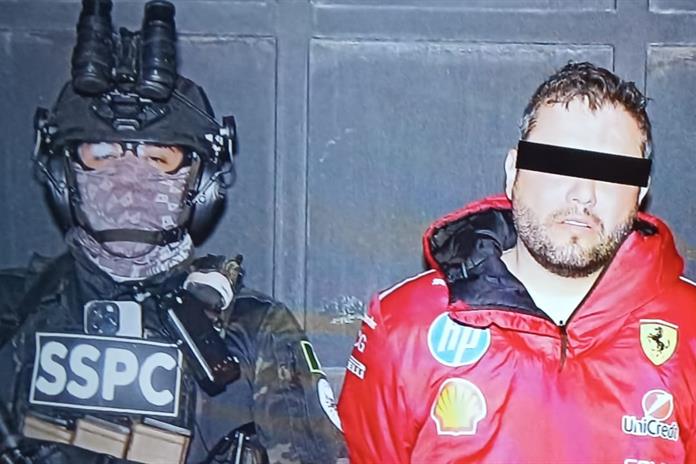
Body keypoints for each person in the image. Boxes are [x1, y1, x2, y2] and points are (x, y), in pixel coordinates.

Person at [0, 1, 343, 463]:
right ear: (64, 177)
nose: (128, 182)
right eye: (101, 156)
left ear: (201, 184)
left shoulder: (255, 330)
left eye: (159, 159)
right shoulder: (12, 312)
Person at [338, 61, 696, 462]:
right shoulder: (404, 325)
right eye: (561, 163)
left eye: (612, 172)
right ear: (514, 171)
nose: (584, 194)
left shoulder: (690, 328)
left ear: (640, 191)